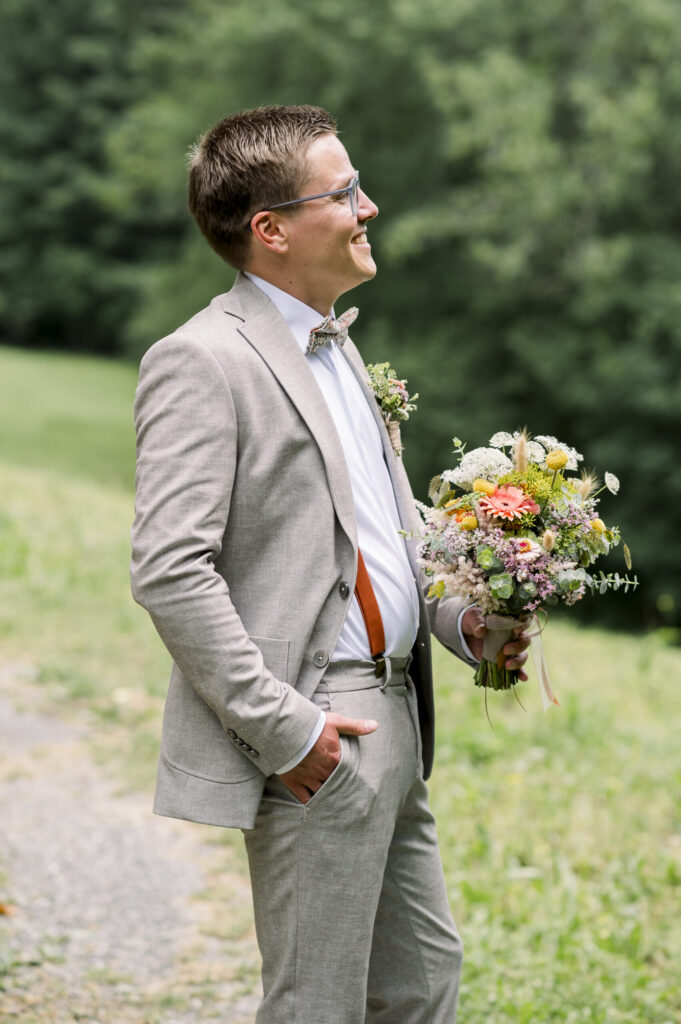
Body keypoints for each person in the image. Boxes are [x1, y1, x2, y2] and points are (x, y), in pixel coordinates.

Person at [130, 104, 529, 1024]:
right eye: (343, 191)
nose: (369, 206)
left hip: (400, 713)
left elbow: (383, 532)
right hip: (319, 724)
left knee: (420, 985)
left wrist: (463, 619)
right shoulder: (201, 361)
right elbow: (169, 569)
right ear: (269, 230)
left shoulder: (339, 347)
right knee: (317, 1005)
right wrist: (287, 730)